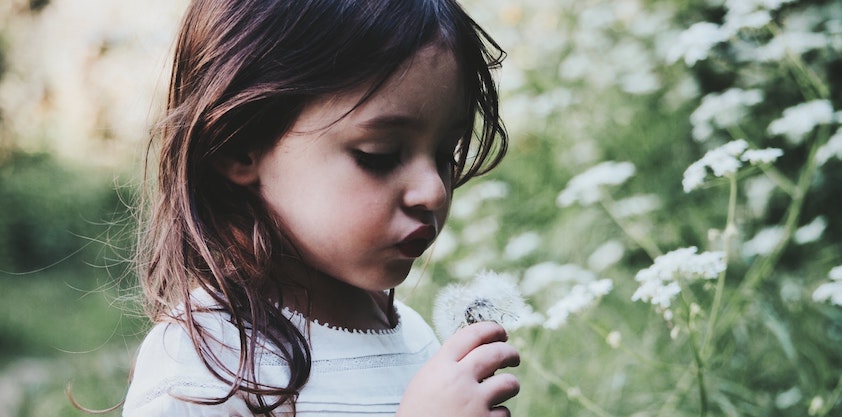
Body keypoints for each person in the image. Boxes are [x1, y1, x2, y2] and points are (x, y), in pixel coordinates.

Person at [123, 0, 519, 416]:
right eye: (379, 154)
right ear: (239, 145)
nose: (434, 191)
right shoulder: (203, 370)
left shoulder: (415, 337)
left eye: (445, 153)